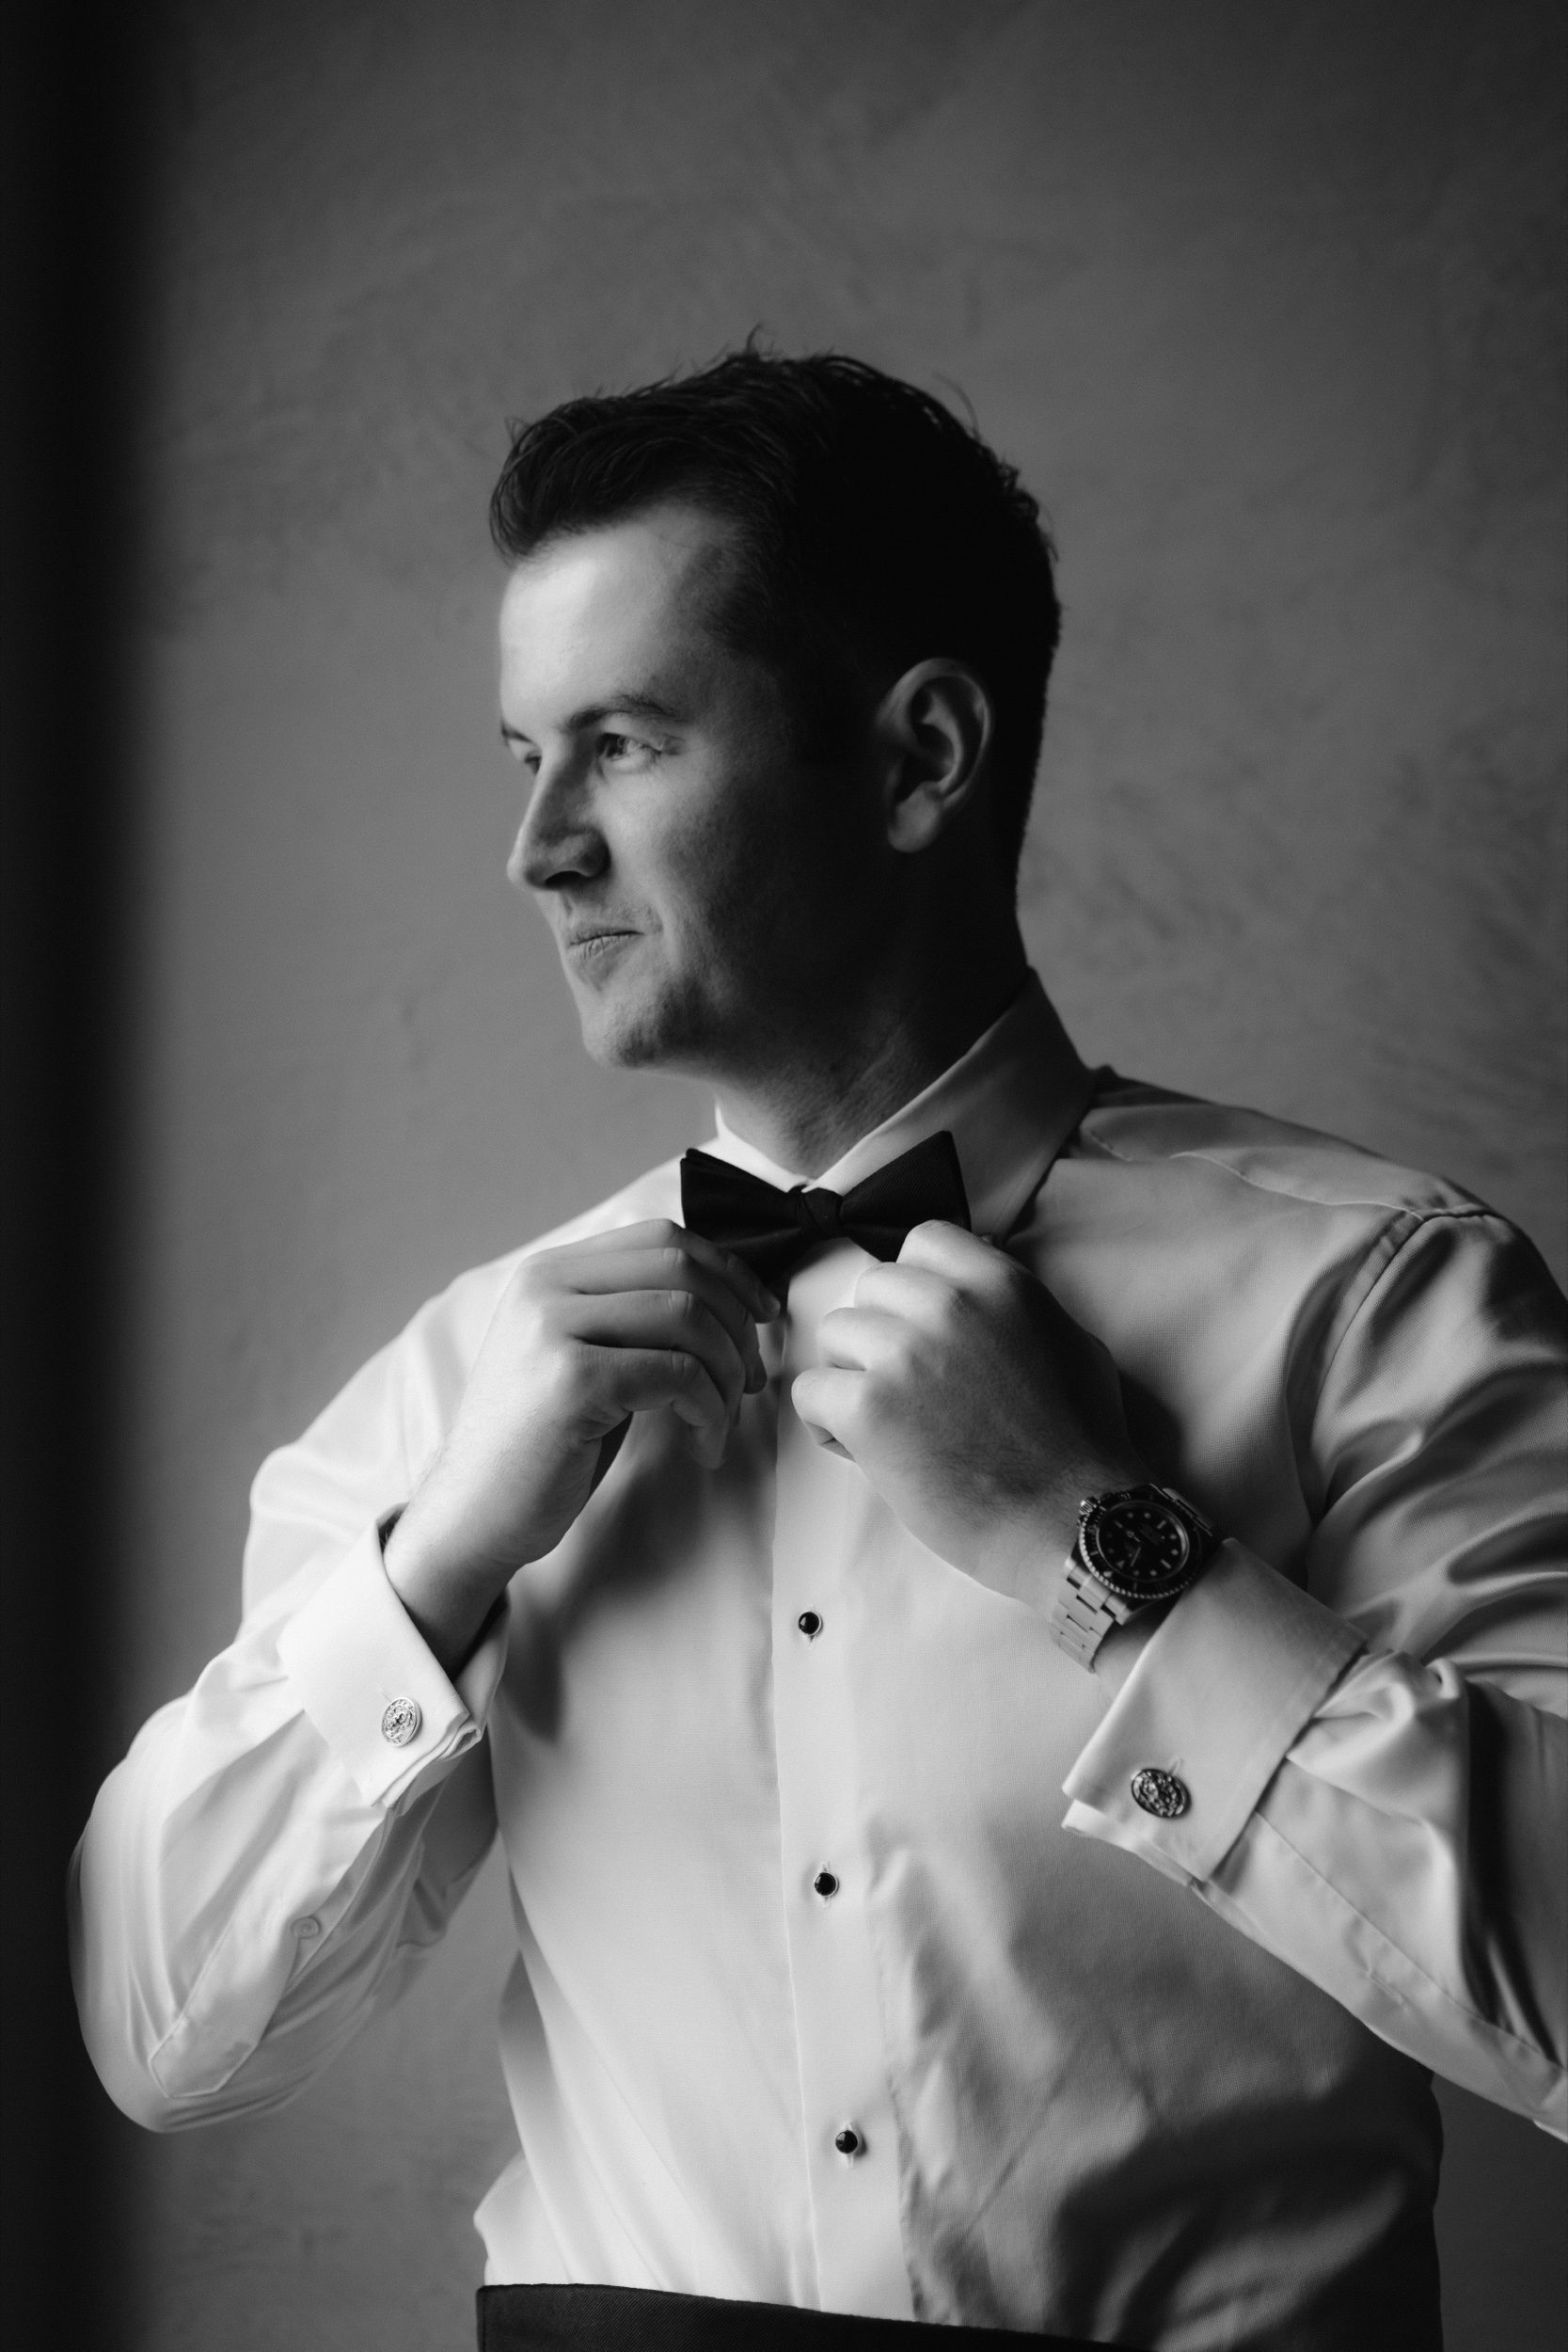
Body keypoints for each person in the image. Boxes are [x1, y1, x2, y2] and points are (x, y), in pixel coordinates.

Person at [71, 350, 1565, 2352]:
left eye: (620, 741)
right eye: (520, 750)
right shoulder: (473, 1378)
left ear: (918, 757)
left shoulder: (1379, 1296)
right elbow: (157, 2030)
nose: (535, 846)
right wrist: (430, 1573)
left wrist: (1104, 1545)